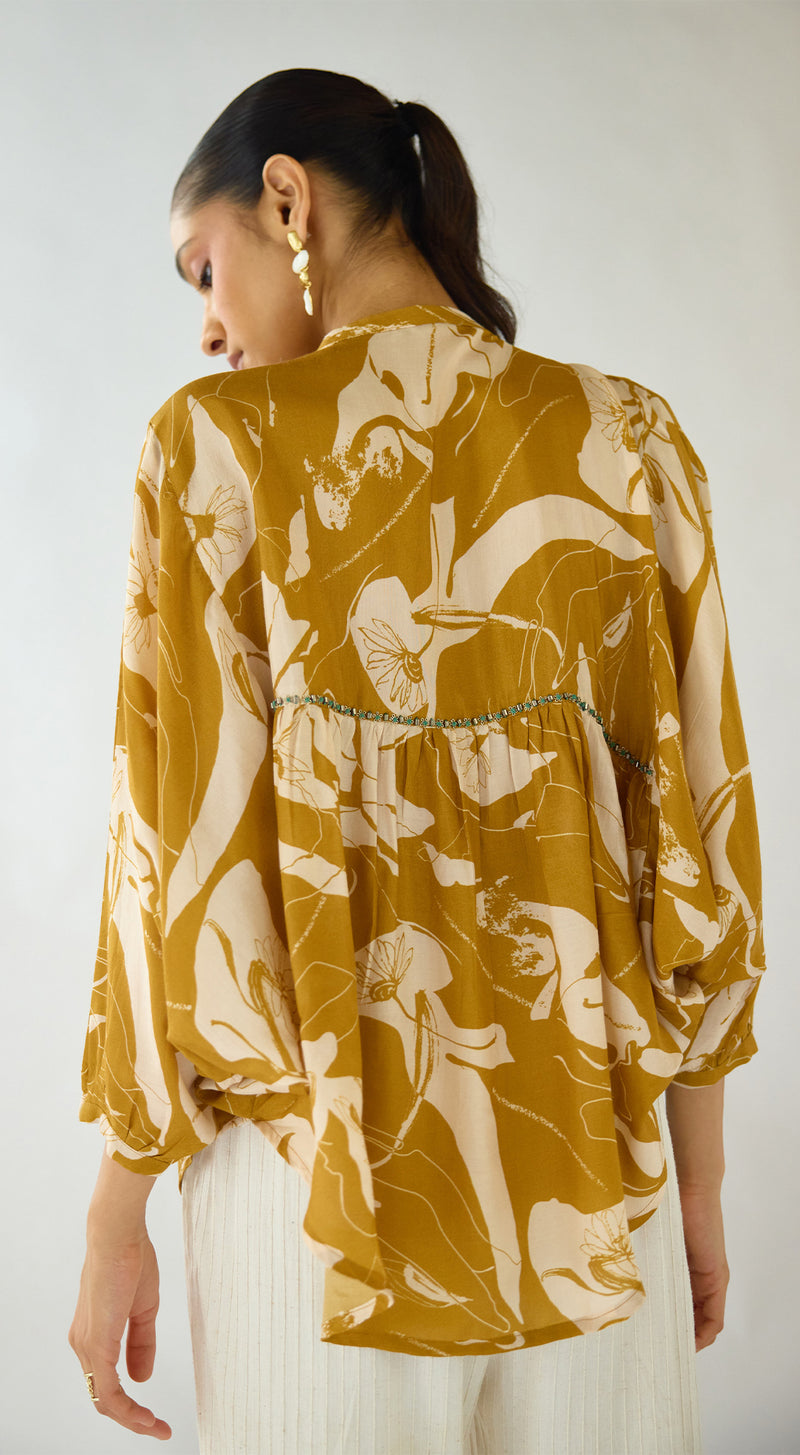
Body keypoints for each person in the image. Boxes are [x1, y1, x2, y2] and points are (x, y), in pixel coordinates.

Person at [68, 67, 766, 1454]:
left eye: (202, 268)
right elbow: (701, 849)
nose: (206, 327)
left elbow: (172, 864)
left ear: (288, 201)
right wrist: (698, 1183)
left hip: (309, 1188)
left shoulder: (213, 452)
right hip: (601, 1174)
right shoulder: (627, 441)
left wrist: (113, 1217)